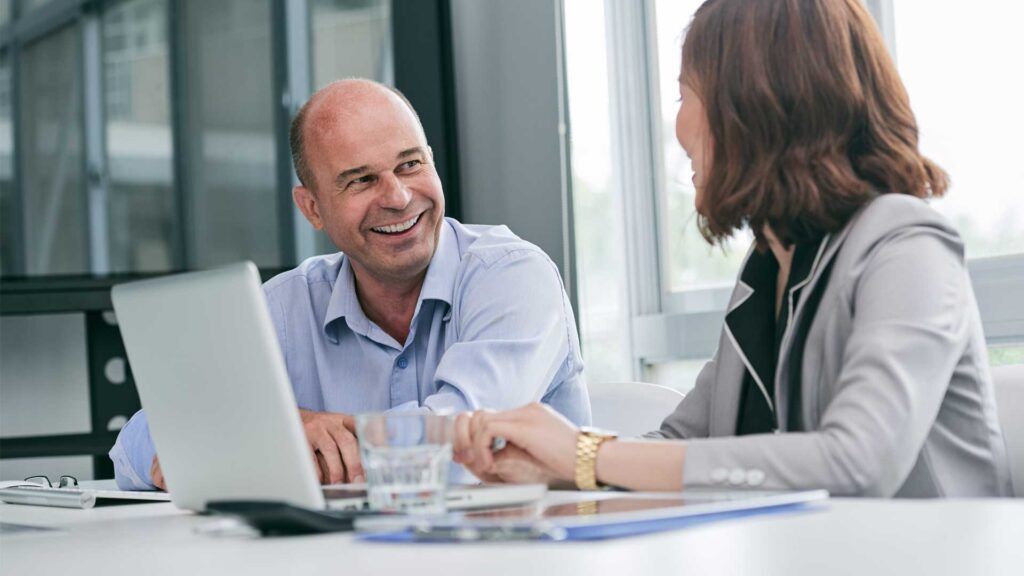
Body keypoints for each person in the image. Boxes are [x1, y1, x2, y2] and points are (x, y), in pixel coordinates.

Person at [454, 0, 1012, 497]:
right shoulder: (770, 264)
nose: (678, 126)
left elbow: (857, 460)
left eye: (685, 95)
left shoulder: (907, 244)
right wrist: (554, 466)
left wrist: (587, 455)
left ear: (755, 108)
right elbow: (682, 439)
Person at [110, 79, 591, 490]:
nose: (399, 197)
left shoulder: (511, 276)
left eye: (410, 165)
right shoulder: (285, 306)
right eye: (360, 180)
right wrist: (286, 430)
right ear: (312, 207)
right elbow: (135, 445)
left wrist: (260, 441)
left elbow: (463, 444)